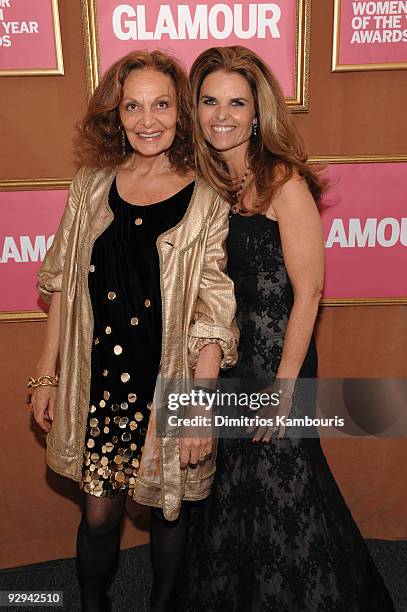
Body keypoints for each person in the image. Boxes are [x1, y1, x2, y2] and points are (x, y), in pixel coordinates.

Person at [182, 46, 395, 611]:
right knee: (230, 491)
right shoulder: (205, 184)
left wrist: (283, 389)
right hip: (226, 360)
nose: (221, 114)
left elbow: (311, 293)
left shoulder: (284, 182)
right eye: (208, 101)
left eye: (236, 102)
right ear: (194, 109)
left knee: (287, 483)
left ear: (258, 113)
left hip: (281, 360)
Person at [29, 50, 238, 612]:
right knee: (99, 518)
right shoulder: (90, 186)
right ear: (116, 116)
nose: (148, 120)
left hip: (167, 383)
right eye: (133, 106)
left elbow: (212, 312)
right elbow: (65, 287)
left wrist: (198, 406)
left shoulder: (207, 199)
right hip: (101, 385)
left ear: (182, 113)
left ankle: (163, 605)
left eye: (162, 105)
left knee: (168, 513)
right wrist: (45, 376)